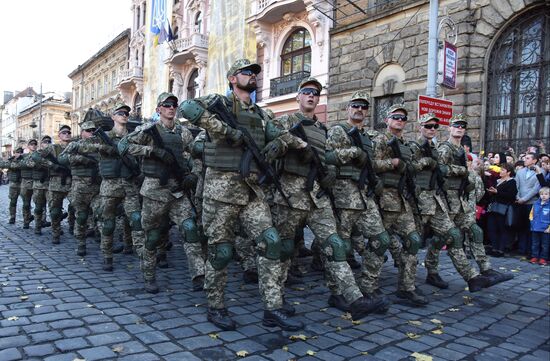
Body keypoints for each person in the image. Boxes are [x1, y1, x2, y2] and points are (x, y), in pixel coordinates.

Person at [180, 59, 302, 331]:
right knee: (221, 251)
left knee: (271, 242)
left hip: (252, 190)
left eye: (254, 73)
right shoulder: (219, 102)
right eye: (246, 73)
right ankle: (216, 306)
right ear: (233, 78)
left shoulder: (260, 113)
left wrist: (277, 146)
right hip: (221, 190)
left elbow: (279, 136)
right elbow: (186, 107)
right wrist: (225, 131)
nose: (252, 76)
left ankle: (273, 307)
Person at [266, 81, 389, 319]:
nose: (312, 96)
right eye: (307, 93)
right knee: (283, 248)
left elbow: (327, 158)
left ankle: (353, 298)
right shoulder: (287, 122)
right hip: (290, 195)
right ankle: (274, 302)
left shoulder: (323, 130)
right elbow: (273, 139)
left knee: (335, 245)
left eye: (316, 93)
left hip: (317, 195)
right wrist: (296, 143)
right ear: (298, 97)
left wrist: (330, 172)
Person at [123, 92, 203, 294]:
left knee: (190, 228)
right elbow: (124, 146)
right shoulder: (147, 130)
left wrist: (193, 174)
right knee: (152, 237)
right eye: (166, 105)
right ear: (158, 108)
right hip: (154, 192)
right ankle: (149, 275)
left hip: (178, 191)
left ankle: (198, 275)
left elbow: (196, 155)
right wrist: (151, 151)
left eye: (174, 105)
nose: (171, 108)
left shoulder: (183, 132)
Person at [325, 90, 392, 305]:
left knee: (381, 240)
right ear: (348, 108)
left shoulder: (368, 137)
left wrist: (376, 181)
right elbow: (326, 158)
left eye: (363, 106)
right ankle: (337, 292)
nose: (359, 109)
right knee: (340, 246)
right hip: (343, 195)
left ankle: (368, 285)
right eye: (355, 105)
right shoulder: (338, 131)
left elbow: (371, 165)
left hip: (364, 196)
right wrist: (352, 152)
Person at [412, 113, 489, 292]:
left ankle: (473, 277)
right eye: (428, 126)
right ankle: (406, 283)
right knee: (412, 242)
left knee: (452, 235)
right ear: (420, 127)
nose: (432, 129)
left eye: (434, 127)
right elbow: (413, 170)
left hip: (438, 200)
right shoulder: (421, 147)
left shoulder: (437, 148)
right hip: (419, 201)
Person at [436, 114, 512, 286]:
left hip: (460, 200)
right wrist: (462, 171)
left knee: (475, 231)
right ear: (450, 127)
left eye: (463, 126)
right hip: (446, 200)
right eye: (456, 125)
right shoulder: (445, 148)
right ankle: (441, 271)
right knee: (447, 238)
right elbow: (440, 170)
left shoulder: (461, 150)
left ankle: (486, 268)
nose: (460, 128)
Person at [371, 104, 427, 306]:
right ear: (387, 120)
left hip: (402, 200)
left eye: (403, 118)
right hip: (383, 199)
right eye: (395, 117)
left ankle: (406, 287)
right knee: (379, 243)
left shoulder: (407, 145)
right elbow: (370, 165)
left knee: (413, 240)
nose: (399, 121)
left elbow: (412, 169)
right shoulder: (379, 140)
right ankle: (370, 287)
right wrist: (392, 163)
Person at [77, 103, 144, 269]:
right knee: (108, 223)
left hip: (130, 185)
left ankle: (144, 256)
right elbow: (82, 146)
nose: (124, 115)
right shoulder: (103, 135)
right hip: (109, 187)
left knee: (136, 220)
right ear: (113, 117)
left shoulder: (134, 136)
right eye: (120, 113)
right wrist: (103, 147)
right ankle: (107, 255)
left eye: (126, 113)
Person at [60, 120, 101, 257]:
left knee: (101, 213)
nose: (91, 133)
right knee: (82, 216)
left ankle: (102, 239)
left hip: (97, 185)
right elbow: (62, 159)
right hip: (79, 187)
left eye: (93, 131)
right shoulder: (75, 145)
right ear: (82, 132)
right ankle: (81, 243)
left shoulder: (100, 145)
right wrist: (80, 159)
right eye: (88, 130)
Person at [37, 125, 74, 244]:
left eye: (69, 132)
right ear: (59, 135)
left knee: (76, 208)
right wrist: (52, 165)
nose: (67, 134)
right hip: (56, 182)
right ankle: (56, 233)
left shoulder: (75, 147)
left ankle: (74, 228)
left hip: (73, 182)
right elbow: (38, 158)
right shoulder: (53, 148)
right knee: (55, 211)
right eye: (64, 133)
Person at [486, 163, 517, 257]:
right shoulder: (497, 180)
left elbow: (511, 196)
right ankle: (494, 248)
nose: (501, 171)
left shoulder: (512, 182)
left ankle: (500, 250)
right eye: (501, 169)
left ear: (509, 172)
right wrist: (492, 192)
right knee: (492, 228)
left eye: (503, 170)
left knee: (502, 229)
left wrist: (497, 192)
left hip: (503, 208)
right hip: (494, 207)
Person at [515, 153, 541, 256]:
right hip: (520, 202)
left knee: (530, 227)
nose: (525, 160)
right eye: (525, 158)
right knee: (521, 226)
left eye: (527, 158)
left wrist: (524, 199)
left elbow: (536, 188)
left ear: (534, 161)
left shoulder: (540, 172)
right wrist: (518, 198)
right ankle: (521, 250)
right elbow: (516, 185)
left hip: (532, 203)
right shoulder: (520, 172)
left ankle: (530, 251)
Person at [0, 147, 24, 224]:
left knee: (26, 202)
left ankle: (27, 218)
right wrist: (11, 161)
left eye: (20, 152)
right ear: (14, 153)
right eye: (17, 152)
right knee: (13, 202)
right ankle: (12, 217)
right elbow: (3, 164)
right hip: (14, 184)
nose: (19, 153)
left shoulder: (24, 159)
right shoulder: (11, 160)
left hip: (23, 184)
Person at [19, 139, 38, 229]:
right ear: (28, 146)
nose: (33, 146)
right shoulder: (23, 156)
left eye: (35, 144)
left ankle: (40, 222)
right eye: (31, 144)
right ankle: (26, 220)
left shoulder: (40, 155)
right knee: (26, 204)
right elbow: (19, 165)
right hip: (26, 182)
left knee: (39, 204)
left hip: (37, 182)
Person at [529, 187, 549, 265]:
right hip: (535, 228)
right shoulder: (535, 203)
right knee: (535, 243)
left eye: (546, 194)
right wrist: (532, 223)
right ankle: (535, 256)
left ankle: (543, 258)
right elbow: (531, 214)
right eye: (541, 194)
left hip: (545, 229)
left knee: (545, 244)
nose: (543, 196)